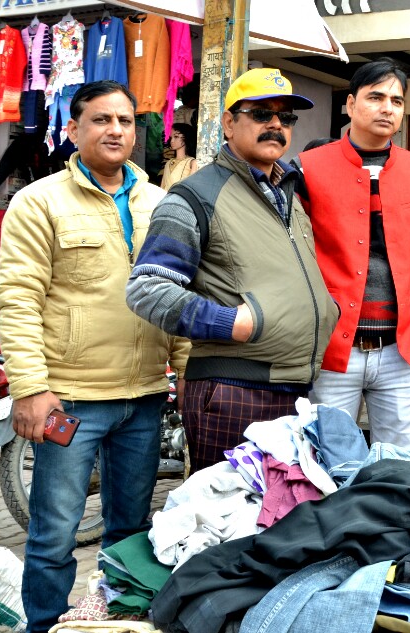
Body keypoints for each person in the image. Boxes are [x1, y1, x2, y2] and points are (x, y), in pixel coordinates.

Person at [0, 80, 189, 633]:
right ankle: (44, 625)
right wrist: (30, 388)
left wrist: (184, 372)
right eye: (101, 120)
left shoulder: (159, 203)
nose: (115, 130)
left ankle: (112, 623)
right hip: (70, 399)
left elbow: (177, 294)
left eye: (125, 121)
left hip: (144, 399)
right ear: (74, 128)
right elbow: (18, 298)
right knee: (54, 534)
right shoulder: (40, 201)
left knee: (130, 533)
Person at [127, 68, 336, 472]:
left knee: (282, 509)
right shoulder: (195, 195)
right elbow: (147, 289)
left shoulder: (287, 193)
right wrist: (232, 323)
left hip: (292, 387)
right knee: (229, 511)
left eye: (285, 116)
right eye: (261, 114)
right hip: (233, 390)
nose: (276, 124)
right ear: (228, 123)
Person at [300, 58, 410, 449]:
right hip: (333, 351)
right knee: (328, 462)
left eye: (397, 101)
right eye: (376, 97)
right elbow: (292, 260)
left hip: (403, 351)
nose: (388, 108)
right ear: (350, 104)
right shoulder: (308, 169)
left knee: (398, 466)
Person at [161, 121, 198, 188]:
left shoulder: (191, 163)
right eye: (171, 137)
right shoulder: (168, 163)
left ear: (186, 137)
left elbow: (191, 188)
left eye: (176, 137)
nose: (172, 141)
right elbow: (162, 187)